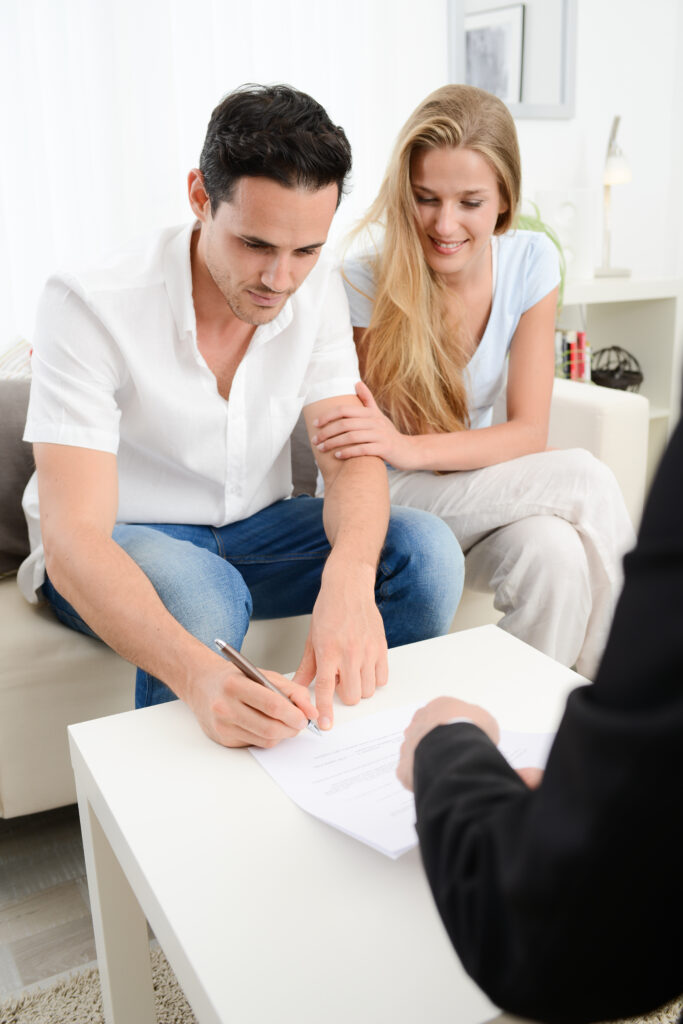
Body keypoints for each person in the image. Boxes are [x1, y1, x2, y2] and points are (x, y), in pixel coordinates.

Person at [19, 84, 463, 748]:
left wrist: (347, 574)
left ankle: (351, 760)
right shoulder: (89, 302)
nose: (280, 280)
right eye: (256, 244)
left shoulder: (314, 293)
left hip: (257, 530)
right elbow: (74, 541)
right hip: (122, 537)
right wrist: (201, 679)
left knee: (424, 554)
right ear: (200, 197)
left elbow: (348, 462)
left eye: (305, 251)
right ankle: (174, 825)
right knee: (205, 596)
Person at [312, 84, 634, 678]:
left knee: (555, 556)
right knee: (585, 477)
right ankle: (621, 700)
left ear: (504, 202)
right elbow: (395, 456)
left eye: (470, 202)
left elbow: (528, 432)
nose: (444, 223)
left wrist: (409, 446)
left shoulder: (532, 262)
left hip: (471, 489)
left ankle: (530, 737)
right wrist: (409, 450)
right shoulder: (364, 283)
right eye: (426, 198)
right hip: (392, 499)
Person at [396, 413, 683, 1024]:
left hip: (475, 476)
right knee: (577, 492)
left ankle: (577, 755)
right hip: (404, 482)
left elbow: (555, 932)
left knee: (556, 550)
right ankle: (581, 749)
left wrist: (447, 744)